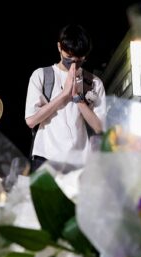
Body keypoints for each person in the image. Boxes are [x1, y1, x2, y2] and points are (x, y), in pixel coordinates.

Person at [25, 24, 106, 172]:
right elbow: (31, 120)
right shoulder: (42, 75)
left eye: (79, 59)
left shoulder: (94, 83)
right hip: (45, 157)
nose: (73, 64)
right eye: (68, 58)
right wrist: (64, 95)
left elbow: (100, 127)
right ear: (59, 47)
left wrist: (77, 98)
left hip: (81, 162)